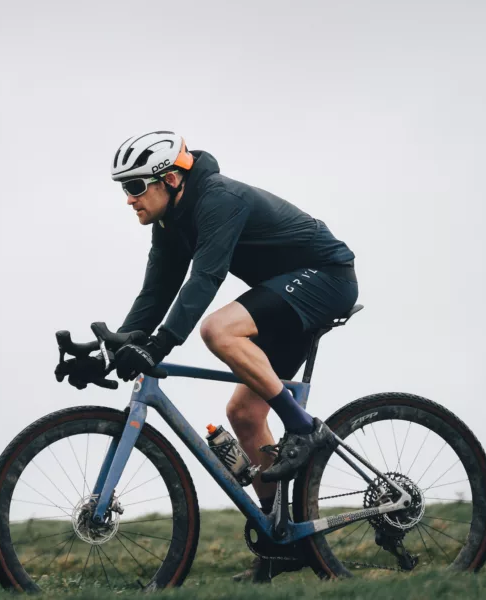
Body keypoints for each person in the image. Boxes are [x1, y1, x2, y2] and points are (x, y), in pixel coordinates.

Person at [61, 130, 358, 581]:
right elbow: (156, 293)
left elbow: (206, 278)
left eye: (136, 186)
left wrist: (159, 345)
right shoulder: (170, 223)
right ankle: (282, 543)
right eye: (124, 188)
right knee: (244, 414)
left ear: (171, 179)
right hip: (282, 299)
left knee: (218, 329)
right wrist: (111, 350)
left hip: (326, 278)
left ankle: (303, 428)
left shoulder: (218, 199)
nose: (129, 198)